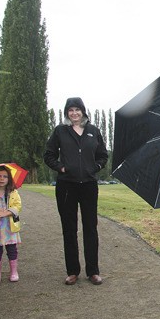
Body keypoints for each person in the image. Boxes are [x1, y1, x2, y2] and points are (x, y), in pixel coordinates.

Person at [43, 97, 108, 286]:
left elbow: (103, 155)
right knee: (69, 229)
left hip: (88, 185)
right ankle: (72, 271)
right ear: (66, 113)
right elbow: (48, 155)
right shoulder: (60, 131)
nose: (74, 114)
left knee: (90, 227)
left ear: (83, 111)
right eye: (70, 110)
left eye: (77, 110)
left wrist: (94, 167)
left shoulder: (93, 131)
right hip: (66, 186)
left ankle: (93, 271)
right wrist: (61, 168)